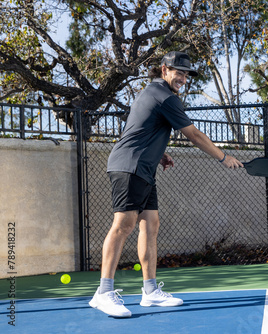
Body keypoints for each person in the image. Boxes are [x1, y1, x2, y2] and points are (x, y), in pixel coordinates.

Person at [89, 51, 243, 317]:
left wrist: (160, 153)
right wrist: (223, 157)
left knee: (150, 224)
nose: (182, 78)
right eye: (178, 72)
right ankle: (103, 292)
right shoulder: (165, 97)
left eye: (185, 74)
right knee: (124, 225)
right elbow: (193, 134)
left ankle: (150, 292)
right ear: (164, 70)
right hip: (130, 167)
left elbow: (141, 128)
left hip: (143, 167)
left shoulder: (152, 93)